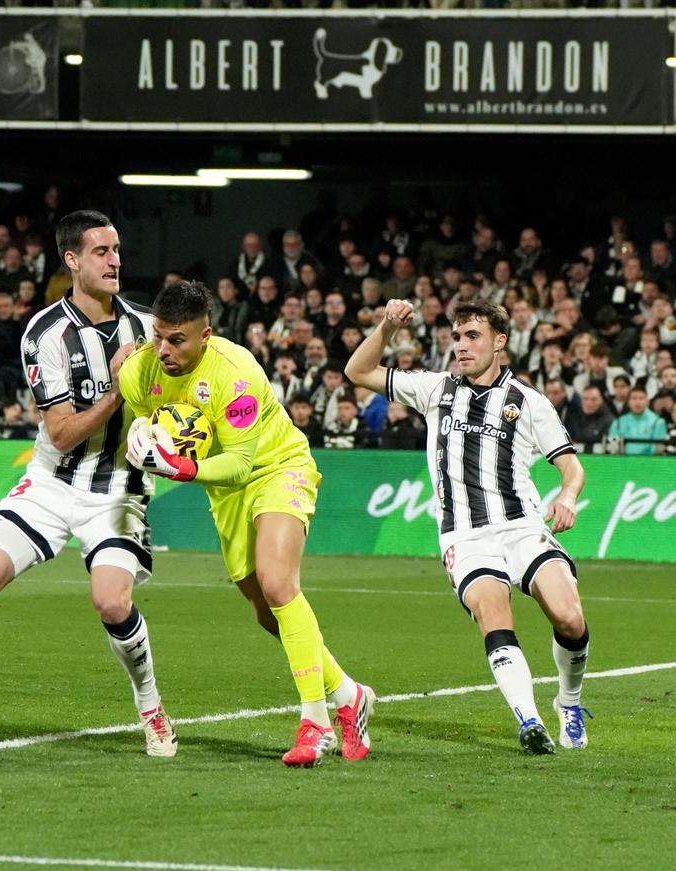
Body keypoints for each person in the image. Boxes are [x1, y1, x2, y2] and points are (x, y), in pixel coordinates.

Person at [0, 210, 175, 758]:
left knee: (111, 602)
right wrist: (118, 390)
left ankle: (152, 709)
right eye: (101, 251)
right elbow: (64, 433)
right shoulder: (45, 333)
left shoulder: (148, 329)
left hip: (118, 489)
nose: (115, 259)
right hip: (52, 481)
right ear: (72, 260)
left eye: (117, 250)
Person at [121, 280, 374, 767]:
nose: (164, 349)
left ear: (206, 335)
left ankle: (315, 721)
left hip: (277, 468)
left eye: (177, 340)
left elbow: (238, 461)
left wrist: (180, 468)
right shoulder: (140, 370)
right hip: (225, 493)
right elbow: (147, 419)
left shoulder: (236, 374)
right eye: (158, 337)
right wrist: (142, 436)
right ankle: (349, 694)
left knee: (280, 583)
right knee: (265, 611)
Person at [346, 297, 591, 754]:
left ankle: (569, 701)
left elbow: (571, 467)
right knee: (493, 613)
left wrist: (569, 496)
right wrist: (386, 329)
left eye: (472, 336)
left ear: (500, 342)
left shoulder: (528, 402)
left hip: (521, 526)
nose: (460, 345)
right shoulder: (434, 388)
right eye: (456, 336)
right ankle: (530, 721)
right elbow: (358, 372)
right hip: (465, 534)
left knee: (569, 616)